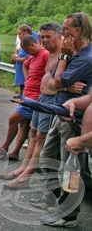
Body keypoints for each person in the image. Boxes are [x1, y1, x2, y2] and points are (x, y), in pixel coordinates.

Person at [37, 12, 92, 228]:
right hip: (59, 116)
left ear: (78, 31)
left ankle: (69, 215)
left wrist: (62, 59)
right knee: (46, 159)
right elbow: (50, 84)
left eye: (66, 28)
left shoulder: (85, 58)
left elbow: (56, 83)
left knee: (70, 171)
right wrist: (63, 71)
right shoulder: (74, 55)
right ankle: (58, 201)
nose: (62, 32)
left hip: (73, 121)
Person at [0, 22, 62, 188]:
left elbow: (67, 80)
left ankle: (26, 176)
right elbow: (28, 64)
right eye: (42, 37)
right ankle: (23, 168)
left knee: (41, 136)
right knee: (33, 132)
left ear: (59, 35)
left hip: (50, 100)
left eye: (48, 36)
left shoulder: (62, 54)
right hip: (41, 98)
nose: (44, 40)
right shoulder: (50, 54)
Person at [11, 25, 32, 99]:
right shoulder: (22, 43)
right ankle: (21, 94)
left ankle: (24, 96)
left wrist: (16, 59)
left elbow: (27, 58)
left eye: (20, 33)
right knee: (21, 82)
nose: (18, 35)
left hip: (26, 70)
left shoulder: (30, 43)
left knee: (25, 82)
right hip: (20, 68)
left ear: (26, 32)